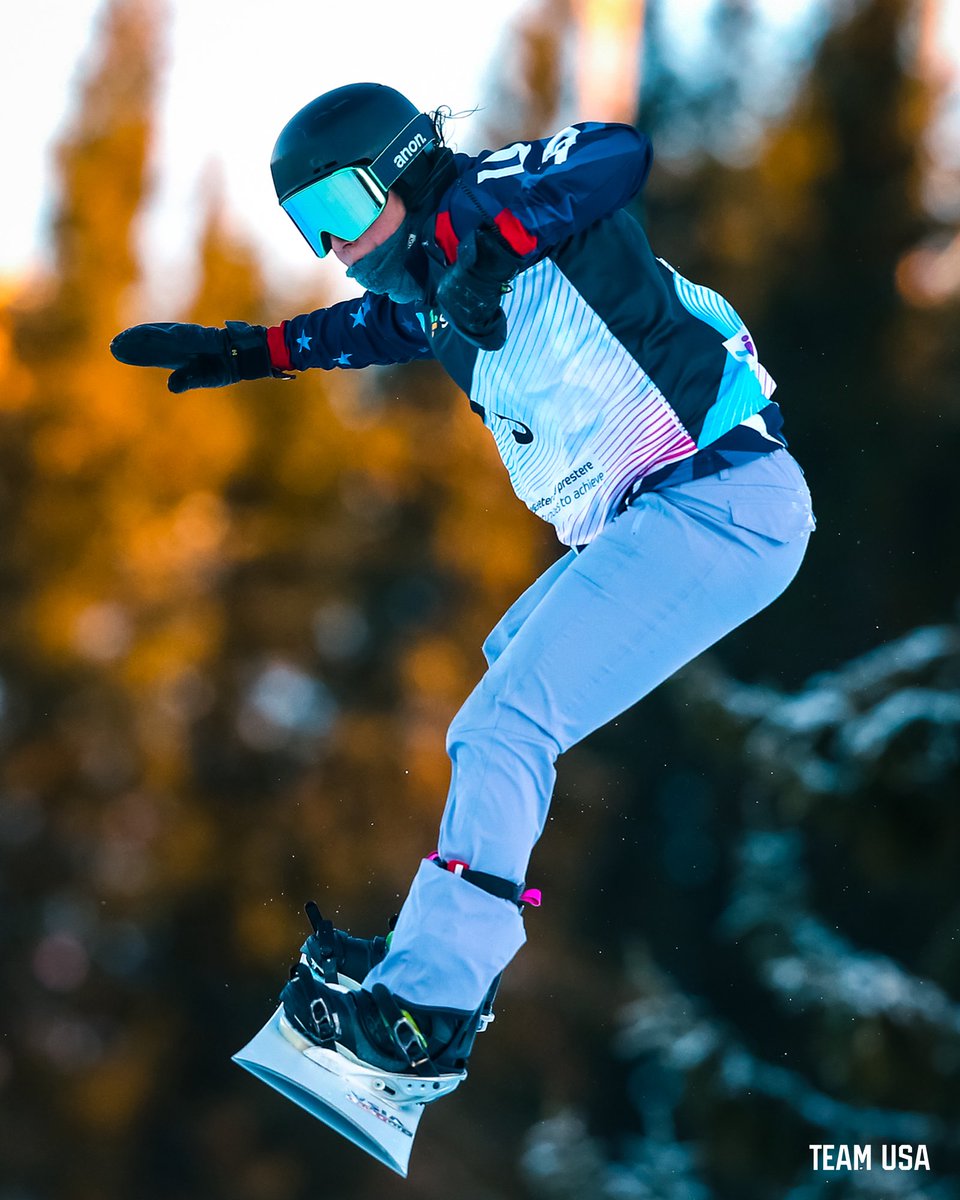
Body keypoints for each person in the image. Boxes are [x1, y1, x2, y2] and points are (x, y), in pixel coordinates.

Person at [111, 82, 815, 1081]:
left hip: (721, 497)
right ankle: (425, 962)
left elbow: (616, 154)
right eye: (312, 228)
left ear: (399, 166)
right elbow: (363, 330)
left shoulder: (487, 200)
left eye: (344, 212)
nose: (338, 248)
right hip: (665, 521)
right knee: (503, 681)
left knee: (506, 724)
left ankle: (429, 1008)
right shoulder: (433, 296)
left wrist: (493, 242)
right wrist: (251, 350)